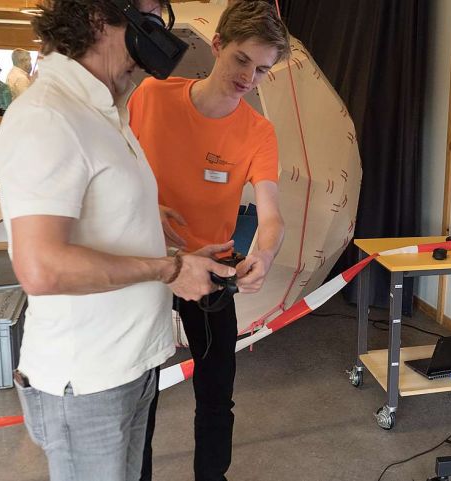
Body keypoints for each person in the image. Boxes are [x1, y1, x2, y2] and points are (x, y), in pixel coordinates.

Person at [0, 1, 236, 480]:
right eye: (148, 19)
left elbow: (99, 218)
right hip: (88, 381)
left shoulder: (105, 111)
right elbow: (42, 268)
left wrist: (169, 247)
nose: (155, 40)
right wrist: (171, 270)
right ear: (97, 17)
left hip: (130, 366)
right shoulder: (49, 116)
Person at [128, 1, 288, 479]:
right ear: (218, 45)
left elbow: (272, 215)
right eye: (242, 60)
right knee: (139, 394)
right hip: (150, 264)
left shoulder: (258, 132)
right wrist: (144, 209)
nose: (248, 78)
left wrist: (263, 255)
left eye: (262, 70)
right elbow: (113, 173)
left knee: (217, 392)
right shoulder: (150, 96)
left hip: (214, 268)